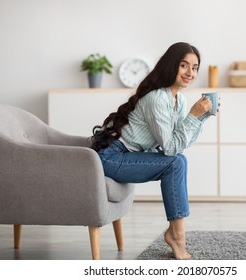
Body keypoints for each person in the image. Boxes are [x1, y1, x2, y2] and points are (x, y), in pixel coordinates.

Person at [90, 42, 215, 259]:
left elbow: (179, 145)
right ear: (171, 65)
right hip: (111, 156)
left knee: (179, 160)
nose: (190, 73)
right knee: (175, 162)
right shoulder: (157, 98)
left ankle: (175, 233)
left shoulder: (179, 99)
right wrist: (194, 116)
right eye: (184, 66)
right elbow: (170, 148)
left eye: (194, 68)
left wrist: (200, 117)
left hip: (127, 155)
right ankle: (177, 235)